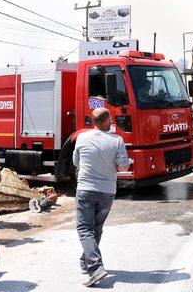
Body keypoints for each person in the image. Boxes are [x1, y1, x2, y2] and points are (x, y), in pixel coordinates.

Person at [72, 108, 130, 287]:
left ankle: (95, 267)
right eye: (110, 120)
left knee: (84, 229)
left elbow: (76, 162)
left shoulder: (81, 137)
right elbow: (123, 168)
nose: (112, 122)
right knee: (95, 228)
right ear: (106, 121)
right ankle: (86, 262)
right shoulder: (117, 140)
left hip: (86, 190)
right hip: (107, 192)